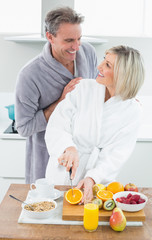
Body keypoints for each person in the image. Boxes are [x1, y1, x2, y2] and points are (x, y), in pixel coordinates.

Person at [45, 45, 145, 202]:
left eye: (107, 65)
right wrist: (68, 147)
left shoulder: (132, 111)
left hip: (97, 182)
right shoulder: (83, 88)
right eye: (103, 60)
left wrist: (92, 177)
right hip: (61, 173)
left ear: (122, 75)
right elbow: (57, 123)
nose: (99, 66)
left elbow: (116, 155)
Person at [15, 7, 98, 184]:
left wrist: (121, 97)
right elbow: (24, 128)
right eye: (69, 41)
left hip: (85, 154)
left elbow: (97, 90)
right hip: (48, 156)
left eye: (79, 39)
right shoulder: (30, 75)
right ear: (50, 37)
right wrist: (61, 102)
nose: (76, 47)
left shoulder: (88, 53)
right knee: (48, 207)